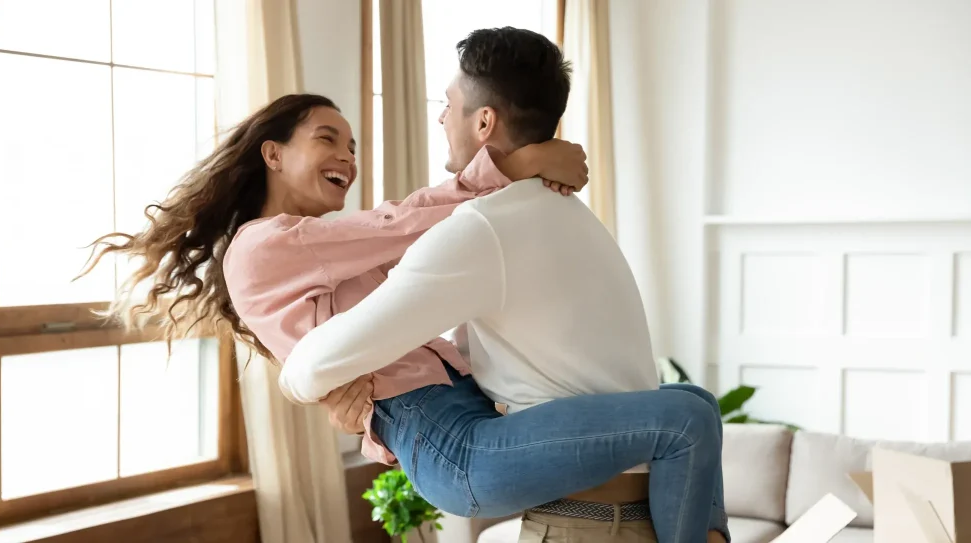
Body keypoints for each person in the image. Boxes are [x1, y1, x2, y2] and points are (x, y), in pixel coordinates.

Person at [80, 34, 725, 543]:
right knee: (689, 416)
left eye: (352, 143)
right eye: (327, 138)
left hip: (457, 418)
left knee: (690, 398)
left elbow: (410, 257)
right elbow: (407, 224)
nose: (348, 157)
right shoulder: (269, 243)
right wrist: (514, 163)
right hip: (451, 440)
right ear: (271, 154)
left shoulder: (324, 252)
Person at [271, 28, 729, 543]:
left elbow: (310, 366)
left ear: (485, 121)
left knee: (691, 406)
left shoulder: (481, 230)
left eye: (449, 104)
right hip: (584, 522)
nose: (441, 117)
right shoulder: (567, 213)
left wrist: (316, 386)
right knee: (690, 411)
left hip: (603, 521)